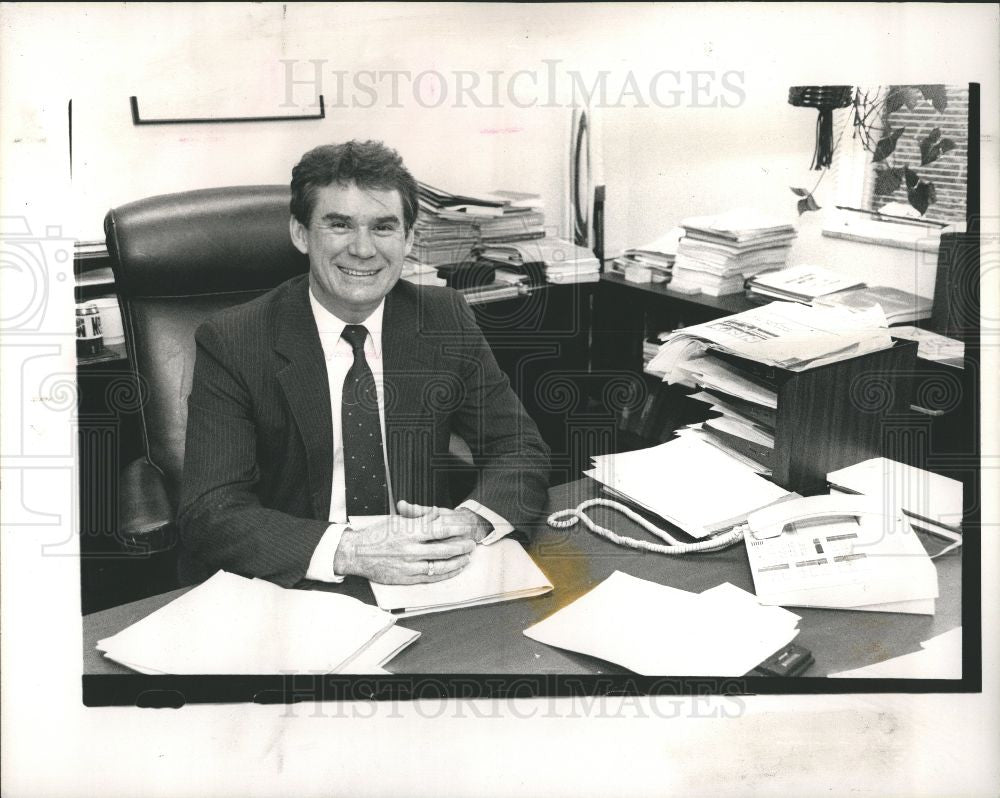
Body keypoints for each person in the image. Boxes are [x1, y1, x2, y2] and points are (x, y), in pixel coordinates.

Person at [177, 140, 551, 589]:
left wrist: (469, 522)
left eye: (384, 227)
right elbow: (211, 508)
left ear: (409, 239)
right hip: (299, 577)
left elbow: (518, 445)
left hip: (424, 572)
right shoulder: (235, 340)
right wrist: (350, 550)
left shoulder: (442, 317)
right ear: (300, 233)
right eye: (340, 225)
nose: (363, 249)